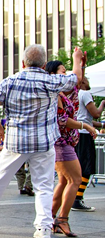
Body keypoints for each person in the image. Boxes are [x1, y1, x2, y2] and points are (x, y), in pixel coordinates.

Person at [0, 45, 84, 238]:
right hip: (43, 142)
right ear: (43, 65)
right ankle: (43, 227)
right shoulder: (50, 80)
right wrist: (76, 58)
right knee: (44, 186)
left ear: (23, 63)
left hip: (16, 141)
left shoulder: (9, 81)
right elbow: (76, 77)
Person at [46, 60, 95, 236]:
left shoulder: (62, 92)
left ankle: (50, 218)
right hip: (61, 142)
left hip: (63, 142)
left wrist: (81, 64)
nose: (67, 75)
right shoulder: (55, 93)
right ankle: (61, 219)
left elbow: (78, 79)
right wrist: (86, 126)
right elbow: (62, 121)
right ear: (53, 74)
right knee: (75, 179)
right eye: (63, 71)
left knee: (64, 181)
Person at [73, 76, 105, 212]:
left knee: (79, 166)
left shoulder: (74, 95)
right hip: (85, 135)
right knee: (87, 167)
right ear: (83, 82)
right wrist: (103, 103)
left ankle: (75, 197)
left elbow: (88, 120)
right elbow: (96, 114)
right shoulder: (85, 94)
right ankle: (77, 199)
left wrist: (102, 125)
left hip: (77, 132)